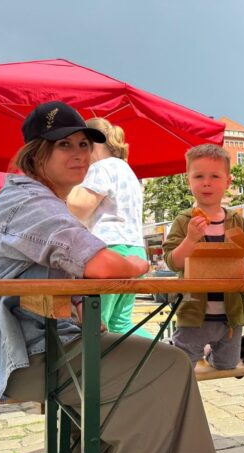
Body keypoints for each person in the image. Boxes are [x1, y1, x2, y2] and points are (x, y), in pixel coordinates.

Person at [0, 101, 220, 453]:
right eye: (64, 144)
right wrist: (136, 262)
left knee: (141, 381)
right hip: (24, 354)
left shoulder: (34, 200)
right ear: (36, 153)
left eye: (84, 144)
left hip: (44, 342)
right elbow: (102, 263)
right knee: (168, 368)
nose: (79, 153)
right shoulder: (31, 203)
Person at [163, 144, 244, 370]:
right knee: (182, 367)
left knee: (227, 365)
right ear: (188, 181)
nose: (206, 182)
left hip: (230, 315)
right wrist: (191, 239)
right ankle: (183, 349)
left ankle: (210, 352)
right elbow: (173, 262)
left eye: (215, 176)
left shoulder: (236, 221)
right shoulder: (184, 220)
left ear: (228, 182)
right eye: (199, 176)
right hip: (194, 315)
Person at [66, 118, 149, 336]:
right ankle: (165, 356)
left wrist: (64, 189)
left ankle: (104, 371)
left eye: (81, 145)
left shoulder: (101, 168)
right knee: (122, 325)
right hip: (135, 250)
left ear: (91, 143)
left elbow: (79, 207)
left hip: (109, 252)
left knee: (96, 325)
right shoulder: (127, 171)